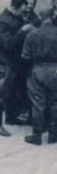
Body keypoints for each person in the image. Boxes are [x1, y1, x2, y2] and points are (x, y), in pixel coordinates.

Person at [0, 0, 33, 137]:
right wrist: (23, 31)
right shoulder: (1, 22)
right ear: (16, 7)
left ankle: (10, 117)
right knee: (0, 93)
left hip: (16, 62)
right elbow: (7, 44)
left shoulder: (17, 17)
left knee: (12, 92)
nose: (25, 11)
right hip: (5, 63)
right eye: (23, 9)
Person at [21, 9, 57, 145]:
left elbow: (25, 56)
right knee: (55, 103)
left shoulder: (33, 34)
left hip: (38, 69)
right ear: (52, 16)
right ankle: (53, 135)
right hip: (55, 71)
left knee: (38, 104)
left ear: (41, 18)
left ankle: (37, 135)